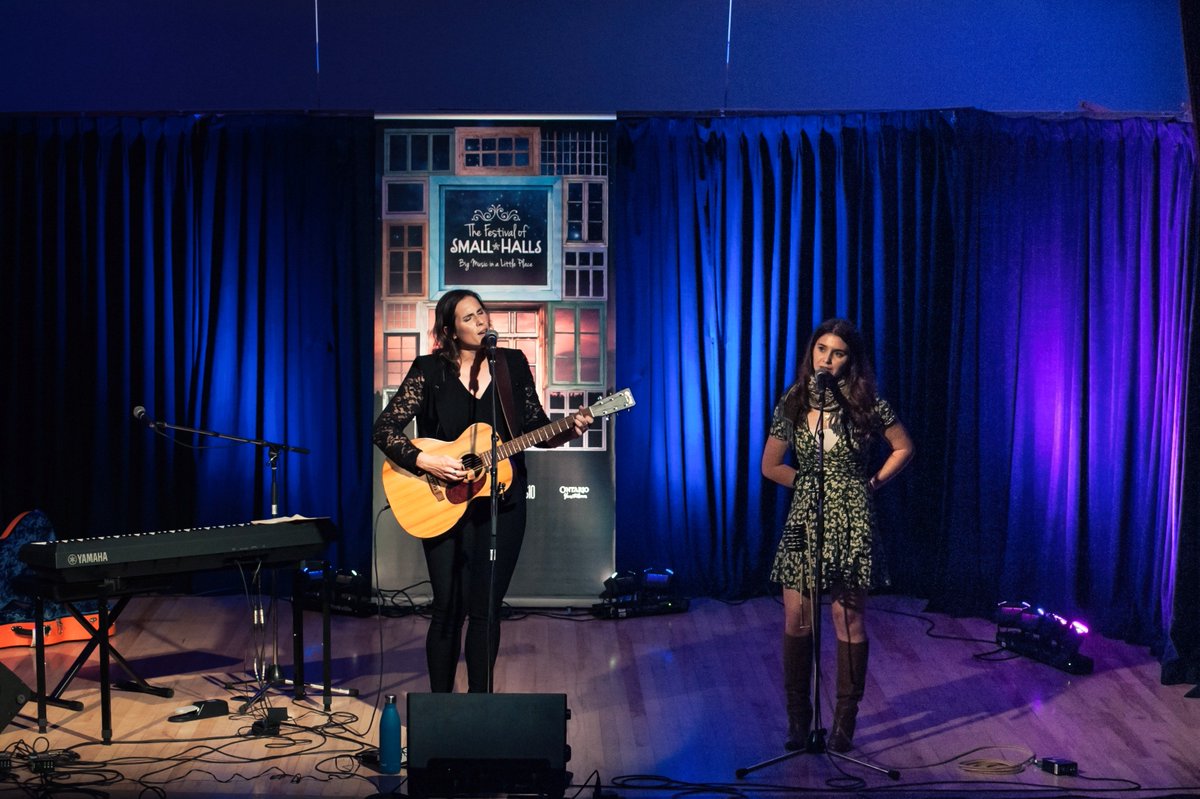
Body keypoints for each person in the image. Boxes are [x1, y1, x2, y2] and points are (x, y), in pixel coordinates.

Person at [372, 289, 592, 693]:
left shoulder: (511, 364)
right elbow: (383, 429)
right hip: (441, 500)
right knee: (447, 609)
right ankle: (438, 713)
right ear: (449, 330)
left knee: (486, 610)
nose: (481, 322)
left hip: (501, 503)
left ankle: (478, 713)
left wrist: (568, 429)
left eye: (482, 314)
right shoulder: (428, 371)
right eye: (469, 318)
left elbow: (533, 429)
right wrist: (428, 461)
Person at [761, 318, 914, 752]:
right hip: (805, 517)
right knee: (796, 617)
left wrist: (869, 484)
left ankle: (845, 721)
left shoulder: (866, 402)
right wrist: (812, 484)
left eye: (838, 352)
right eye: (821, 349)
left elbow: (903, 447)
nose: (827, 358)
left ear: (851, 360)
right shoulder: (793, 401)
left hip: (851, 518)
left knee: (847, 616)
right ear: (812, 352)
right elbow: (771, 465)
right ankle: (798, 721)